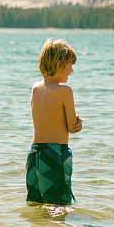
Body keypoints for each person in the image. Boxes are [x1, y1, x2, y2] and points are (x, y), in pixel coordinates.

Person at [26, 38, 82, 205]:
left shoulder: (36, 89)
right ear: (59, 64)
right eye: (70, 66)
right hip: (55, 154)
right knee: (59, 205)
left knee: (36, 204)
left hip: (35, 154)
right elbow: (72, 127)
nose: (71, 71)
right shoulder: (65, 92)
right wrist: (79, 122)